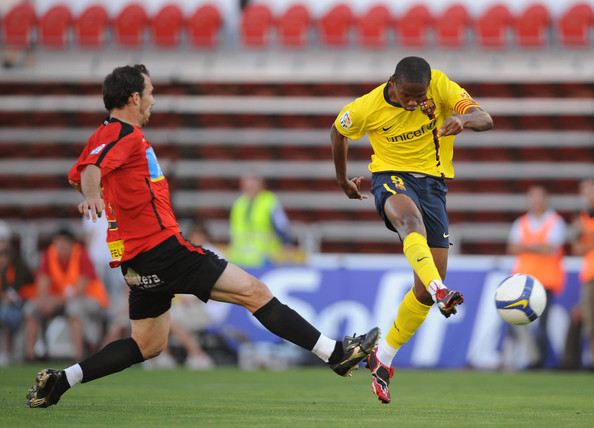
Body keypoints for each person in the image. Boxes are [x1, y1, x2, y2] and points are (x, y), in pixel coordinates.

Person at [26, 64, 379, 408]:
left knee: (148, 343)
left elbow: (81, 173)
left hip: (135, 261)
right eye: (150, 93)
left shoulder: (107, 135)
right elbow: (89, 171)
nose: (154, 100)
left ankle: (63, 379)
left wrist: (98, 193)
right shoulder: (121, 133)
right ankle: (336, 354)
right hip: (163, 248)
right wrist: (92, 194)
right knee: (255, 293)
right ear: (133, 98)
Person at [330, 56, 493, 403]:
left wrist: (462, 119)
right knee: (409, 222)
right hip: (390, 176)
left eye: (419, 97)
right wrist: (344, 180)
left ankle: (383, 359)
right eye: (407, 95)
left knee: (419, 292)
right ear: (393, 82)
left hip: (433, 186)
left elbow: (486, 118)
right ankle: (440, 289)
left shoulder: (441, 85)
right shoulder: (367, 107)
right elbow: (338, 131)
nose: (413, 103)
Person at [23, 229, 109, 362]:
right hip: (61, 300)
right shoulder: (48, 255)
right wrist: (43, 301)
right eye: (58, 242)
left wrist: (54, 302)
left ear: (72, 244)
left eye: (65, 242)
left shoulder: (81, 255)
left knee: (74, 308)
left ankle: (79, 355)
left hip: (91, 298)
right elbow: (42, 285)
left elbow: (79, 291)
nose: (61, 246)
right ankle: (30, 355)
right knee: (31, 308)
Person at [506, 185, 567, 369]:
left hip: (545, 280)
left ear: (546, 199)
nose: (536, 202)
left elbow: (549, 249)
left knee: (542, 323)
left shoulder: (555, 221)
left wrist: (526, 246)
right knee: (517, 320)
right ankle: (529, 357)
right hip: (523, 280)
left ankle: (539, 361)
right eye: (533, 198)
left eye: (539, 197)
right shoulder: (523, 221)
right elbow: (512, 247)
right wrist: (537, 247)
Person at [227, 174, 293, 267]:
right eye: (246, 186)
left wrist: (286, 247)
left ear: (261, 186)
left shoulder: (269, 201)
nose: (249, 189)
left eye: (252, 186)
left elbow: (282, 227)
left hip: (264, 259)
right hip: (239, 259)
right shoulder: (239, 204)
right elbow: (234, 232)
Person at [0, 223, 34, 365]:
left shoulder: (19, 264)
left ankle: (12, 352)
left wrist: (16, 296)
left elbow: (29, 287)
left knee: (8, 312)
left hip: (20, 303)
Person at [571, 178, 594, 369]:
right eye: (585, 191)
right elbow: (576, 248)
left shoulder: (582, 222)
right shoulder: (581, 215)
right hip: (589, 274)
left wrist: (586, 232)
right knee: (590, 321)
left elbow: (583, 243)